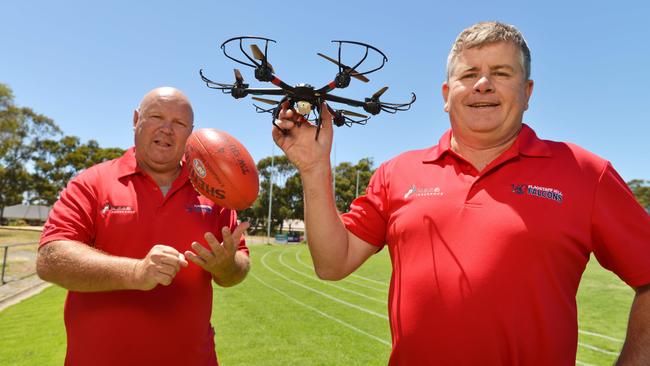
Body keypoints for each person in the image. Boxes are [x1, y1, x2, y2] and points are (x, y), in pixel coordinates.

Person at [273, 22, 650, 365]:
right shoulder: (397, 172)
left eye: (501, 73)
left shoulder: (585, 172)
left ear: (527, 90)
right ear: (446, 93)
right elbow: (332, 263)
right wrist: (314, 168)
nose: (482, 84)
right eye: (469, 74)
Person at [36, 87, 250, 366]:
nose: (167, 129)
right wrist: (135, 272)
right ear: (136, 119)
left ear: (191, 133)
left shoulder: (215, 191)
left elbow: (240, 266)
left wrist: (226, 266)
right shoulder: (92, 183)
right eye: (156, 116)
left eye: (179, 123)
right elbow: (50, 259)